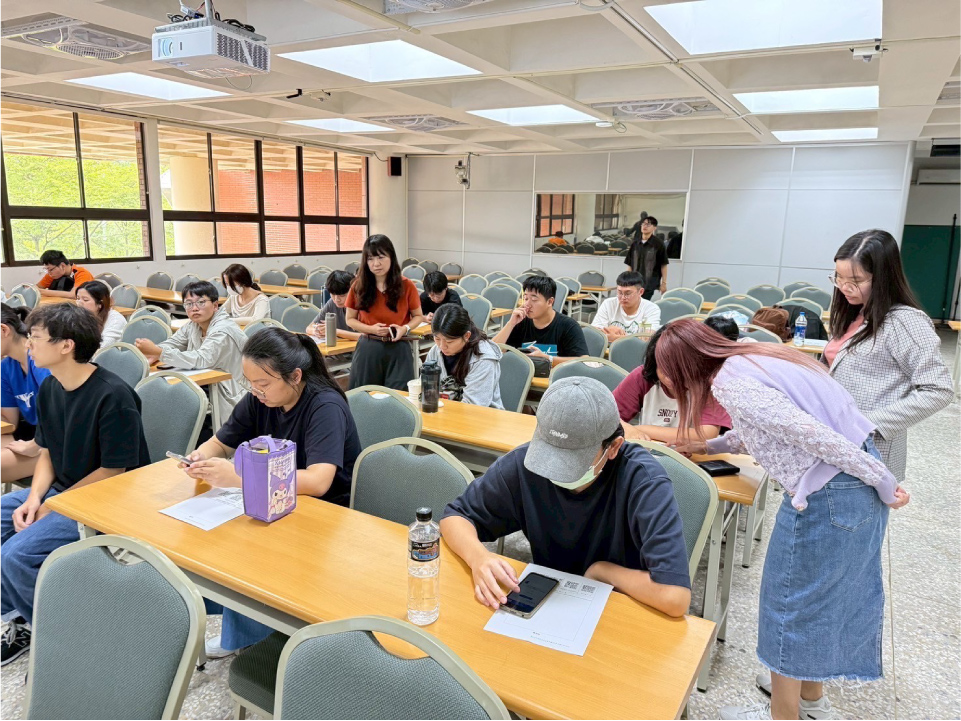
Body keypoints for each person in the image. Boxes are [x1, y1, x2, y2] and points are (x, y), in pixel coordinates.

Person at [651, 320, 910, 721]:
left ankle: (782, 715)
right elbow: (769, 427)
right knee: (816, 606)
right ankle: (811, 703)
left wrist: (883, 480)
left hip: (831, 490)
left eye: (663, 370)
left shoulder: (732, 384)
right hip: (850, 483)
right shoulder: (751, 356)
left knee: (786, 606)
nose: (662, 379)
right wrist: (710, 445)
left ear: (682, 365)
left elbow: (812, 434)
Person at [750, 229, 955, 715]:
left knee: (800, 588)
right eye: (839, 278)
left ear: (883, 276)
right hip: (834, 461)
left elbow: (937, 389)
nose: (845, 288)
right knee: (823, 586)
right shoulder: (858, 315)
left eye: (856, 280)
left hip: (856, 467)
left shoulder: (904, 321)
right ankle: (809, 691)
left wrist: (864, 425)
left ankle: (792, 702)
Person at [179, 326, 362, 659]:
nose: (255, 391)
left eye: (263, 383)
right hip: (277, 501)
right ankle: (241, 628)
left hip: (326, 514)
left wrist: (239, 478)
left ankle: (257, 635)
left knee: (248, 546)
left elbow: (319, 481)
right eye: (250, 383)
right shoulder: (260, 399)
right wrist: (200, 457)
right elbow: (221, 441)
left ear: (294, 376)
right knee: (214, 539)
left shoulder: (325, 405)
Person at [439, 377, 691, 618]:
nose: (554, 471)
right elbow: (455, 517)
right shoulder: (525, 463)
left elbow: (675, 597)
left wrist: (602, 571)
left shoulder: (644, 481)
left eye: (573, 461)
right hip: (553, 599)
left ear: (613, 447)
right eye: (550, 453)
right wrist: (479, 557)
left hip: (623, 604)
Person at [0, 303, 150, 665]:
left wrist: (53, 505)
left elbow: (113, 472)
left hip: (107, 499)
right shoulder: (51, 387)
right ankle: (20, 617)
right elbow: (47, 452)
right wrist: (34, 498)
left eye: (36, 338)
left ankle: (63, 643)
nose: (29, 344)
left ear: (66, 345)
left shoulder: (113, 395)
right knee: (11, 521)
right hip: (65, 491)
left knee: (16, 555)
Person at [133, 280, 248, 422]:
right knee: (156, 390)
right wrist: (155, 353)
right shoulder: (193, 325)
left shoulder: (223, 329)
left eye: (201, 302)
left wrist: (159, 352)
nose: (194, 308)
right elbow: (173, 342)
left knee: (167, 398)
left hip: (232, 391)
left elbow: (202, 359)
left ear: (215, 305)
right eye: (188, 304)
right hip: (207, 384)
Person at [613, 326, 731, 443]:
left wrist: (640, 430)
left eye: (679, 371)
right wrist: (627, 427)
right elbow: (608, 416)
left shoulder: (710, 383)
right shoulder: (643, 376)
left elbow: (707, 433)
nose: (670, 378)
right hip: (648, 451)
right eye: (664, 368)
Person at [345, 234, 426, 390]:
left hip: (398, 347)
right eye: (370, 259)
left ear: (391, 257)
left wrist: (404, 328)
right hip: (368, 346)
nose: (376, 264)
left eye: (381, 257)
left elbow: (418, 316)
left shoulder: (407, 285)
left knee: (399, 395)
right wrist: (371, 329)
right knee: (365, 394)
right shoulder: (358, 286)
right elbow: (350, 319)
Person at [1, 304, 52, 487]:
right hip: (30, 434)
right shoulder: (6, 367)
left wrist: (33, 445)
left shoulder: (41, 360)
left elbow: (62, 417)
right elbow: (9, 422)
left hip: (55, 442)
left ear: (4, 330)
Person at [492, 275, 588, 367]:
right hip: (523, 376)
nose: (527, 304)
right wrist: (510, 324)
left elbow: (584, 360)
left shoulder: (568, 326)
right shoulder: (520, 322)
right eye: (525, 298)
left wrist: (548, 359)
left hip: (555, 377)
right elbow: (491, 352)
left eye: (534, 299)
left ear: (550, 302)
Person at [425, 305, 504, 408]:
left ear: (466, 336)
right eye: (437, 339)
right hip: (444, 412)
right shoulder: (435, 351)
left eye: (449, 341)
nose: (442, 346)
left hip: (481, 415)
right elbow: (426, 389)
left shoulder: (483, 359)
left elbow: (473, 407)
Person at [591, 271, 661, 341]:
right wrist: (611, 329)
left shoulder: (651, 309)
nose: (623, 297)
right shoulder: (608, 304)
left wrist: (615, 338)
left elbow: (647, 338)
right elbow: (594, 333)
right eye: (620, 292)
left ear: (640, 292)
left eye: (628, 293)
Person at [307, 270, 361, 341]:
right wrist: (317, 331)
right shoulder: (332, 302)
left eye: (342, 296)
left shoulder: (363, 305)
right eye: (332, 294)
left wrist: (335, 331)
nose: (336, 299)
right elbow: (309, 328)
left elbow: (369, 337)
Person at [624, 216, 668, 300]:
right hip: (634, 281)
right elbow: (630, 264)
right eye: (643, 224)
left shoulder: (658, 244)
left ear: (654, 228)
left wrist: (664, 283)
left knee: (643, 303)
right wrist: (626, 280)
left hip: (650, 282)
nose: (645, 226)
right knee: (633, 303)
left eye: (648, 224)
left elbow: (663, 264)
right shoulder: (635, 243)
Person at [75, 280, 127, 347]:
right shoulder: (81, 316)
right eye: (78, 298)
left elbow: (103, 346)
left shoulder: (116, 320)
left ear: (100, 303)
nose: (79, 303)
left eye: (85, 300)